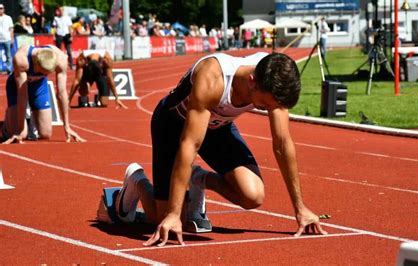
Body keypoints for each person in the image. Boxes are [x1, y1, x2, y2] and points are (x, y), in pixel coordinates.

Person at [103, 52, 327, 247]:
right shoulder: (212, 78)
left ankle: (199, 179)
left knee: (253, 196)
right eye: (266, 105)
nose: (270, 110)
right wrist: (173, 213)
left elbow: (282, 144)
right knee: (161, 218)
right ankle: (137, 181)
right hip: (173, 125)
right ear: (252, 81)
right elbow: (189, 144)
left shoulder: (273, 76)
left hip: (217, 127)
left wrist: (300, 208)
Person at [1, 45, 85, 144]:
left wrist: (67, 127)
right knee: (21, 134)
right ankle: (6, 123)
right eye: (42, 71)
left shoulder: (61, 59)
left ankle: (28, 121)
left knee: (46, 133)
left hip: (39, 86)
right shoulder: (21, 59)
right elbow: (22, 95)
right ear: (36, 62)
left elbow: (62, 93)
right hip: (17, 86)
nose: (45, 74)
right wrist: (19, 130)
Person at [0, 4, 14, 74]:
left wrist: (12, 38)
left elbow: (11, 29)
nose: (0, 10)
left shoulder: (8, 18)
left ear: (4, 9)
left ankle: (9, 69)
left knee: (8, 54)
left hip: (7, 39)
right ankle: (0, 69)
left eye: (1, 8)